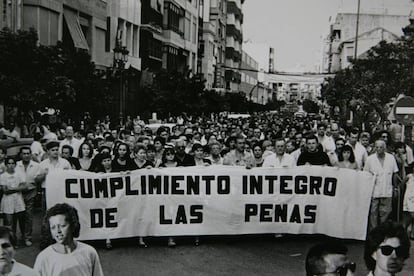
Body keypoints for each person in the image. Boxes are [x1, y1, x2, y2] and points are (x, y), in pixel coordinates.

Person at [34, 203, 104, 276]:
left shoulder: (89, 252)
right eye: (53, 227)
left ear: (73, 226)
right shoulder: (43, 258)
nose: (58, 231)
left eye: (62, 226)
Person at [364, 140, 399, 231]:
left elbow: (395, 174)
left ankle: (383, 233)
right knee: (373, 213)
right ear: (374, 147)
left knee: (386, 213)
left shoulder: (391, 158)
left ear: (385, 148)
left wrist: (395, 188)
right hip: (374, 191)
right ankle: (373, 234)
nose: (379, 149)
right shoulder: (370, 159)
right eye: (377, 147)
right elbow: (366, 175)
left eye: (381, 147)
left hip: (387, 190)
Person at [15, 147, 41, 247]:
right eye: (24, 153)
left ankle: (27, 237)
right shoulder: (16, 165)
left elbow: (38, 180)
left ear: (31, 154)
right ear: (21, 155)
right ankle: (20, 236)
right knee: (20, 215)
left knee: (29, 216)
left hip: (31, 191)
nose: (26, 155)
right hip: (18, 193)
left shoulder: (36, 165)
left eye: (28, 153)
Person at [0, 157, 26, 244]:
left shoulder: (20, 174)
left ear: (15, 164)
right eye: (9, 163)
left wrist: (13, 188)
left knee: (21, 220)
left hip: (18, 200)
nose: (11, 166)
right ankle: (11, 241)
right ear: (6, 165)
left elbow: (24, 187)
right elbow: (5, 191)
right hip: (7, 201)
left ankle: (24, 238)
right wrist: (18, 188)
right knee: (9, 222)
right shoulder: (3, 176)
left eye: (12, 163)